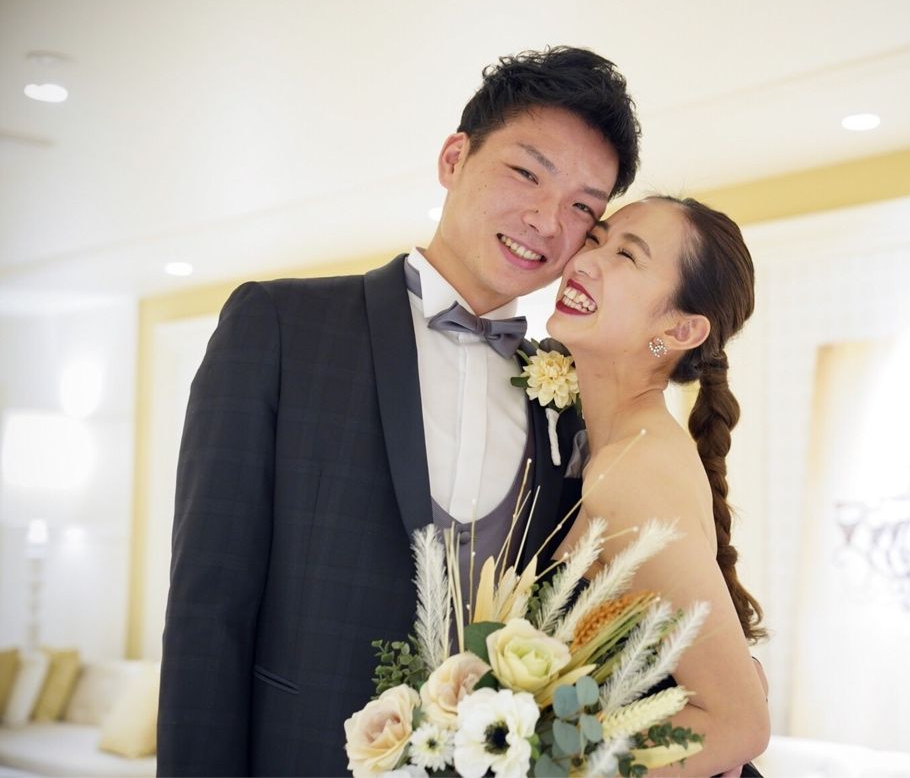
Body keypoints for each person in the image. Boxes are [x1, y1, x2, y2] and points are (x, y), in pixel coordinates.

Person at [157, 46, 640, 777]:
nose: (547, 220)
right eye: (526, 173)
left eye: (582, 207)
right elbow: (207, 605)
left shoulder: (571, 395)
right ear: (453, 158)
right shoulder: (280, 327)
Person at [548, 196, 771, 776]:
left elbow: (739, 723)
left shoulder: (633, 470)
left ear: (678, 330)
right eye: (596, 239)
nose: (584, 261)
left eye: (626, 256)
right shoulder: (621, 449)